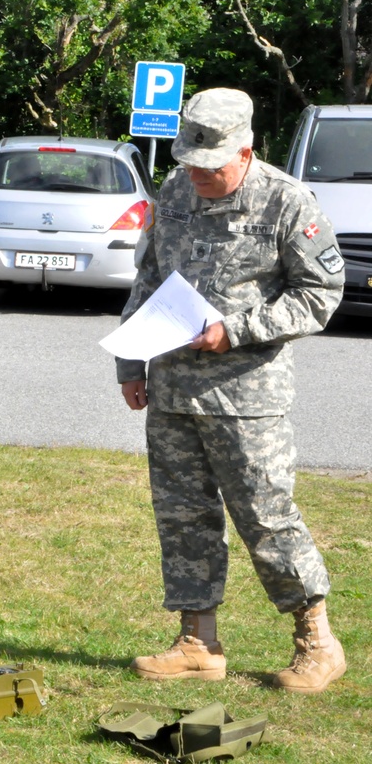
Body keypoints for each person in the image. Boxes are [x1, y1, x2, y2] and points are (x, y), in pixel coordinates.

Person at [117, 88, 347, 694]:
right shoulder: (174, 190)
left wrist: (237, 330)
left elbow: (321, 292)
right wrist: (130, 362)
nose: (199, 176)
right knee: (183, 517)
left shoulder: (286, 200)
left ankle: (317, 642)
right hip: (171, 390)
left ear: (246, 150)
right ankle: (199, 640)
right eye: (191, 164)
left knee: (267, 517)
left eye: (211, 167)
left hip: (247, 396)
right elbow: (148, 276)